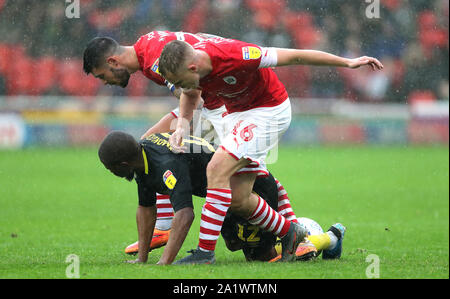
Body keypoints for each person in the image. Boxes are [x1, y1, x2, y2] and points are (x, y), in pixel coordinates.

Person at [157, 37, 383, 263]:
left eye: (178, 81)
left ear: (192, 67)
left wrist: (347, 63)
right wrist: (181, 127)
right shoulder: (192, 72)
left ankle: (204, 253)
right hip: (238, 115)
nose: (177, 87)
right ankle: (292, 233)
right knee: (238, 198)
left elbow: (296, 55)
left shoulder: (236, 56)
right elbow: (189, 93)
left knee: (216, 169)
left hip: (269, 110)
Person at [84, 31, 302, 263]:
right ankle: (167, 226)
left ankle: (296, 232)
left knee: (254, 182)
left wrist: (181, 122)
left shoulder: (156, 62)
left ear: (112, 62)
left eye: (101, 76)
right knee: (146, 147)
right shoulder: (149, 42)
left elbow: (192, 93)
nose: (105, 82)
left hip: (222, 111)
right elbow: (197, 42)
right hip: (216, 107)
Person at [98, 130, 303, 265]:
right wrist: (142, 260)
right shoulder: (143, 157)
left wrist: (163, 264)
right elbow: (146, 209)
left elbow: (185, 214)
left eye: (110, 168)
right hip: (225, 199)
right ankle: (297, 235)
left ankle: (319, 238)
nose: (110, 172)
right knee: (234, 244)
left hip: (253, 190)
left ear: (123, 165)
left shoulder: (166, 164)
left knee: (262, 258)